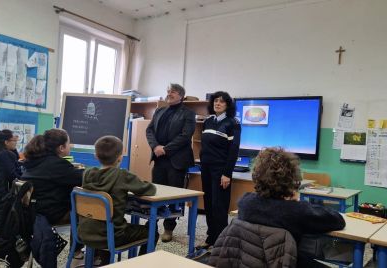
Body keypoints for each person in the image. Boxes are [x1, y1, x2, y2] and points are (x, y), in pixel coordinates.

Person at [238, 147, 346, 268]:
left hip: (249, 261)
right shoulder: (296, 211)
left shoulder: (245, 203)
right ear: (291, 180)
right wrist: (296, 201)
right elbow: (338, 220)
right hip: (284, 261)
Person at [78, 135, 157, 262]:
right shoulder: (123, 176)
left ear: (96, 156)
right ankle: (142, 264)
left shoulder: (87, 174)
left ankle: (103, 261)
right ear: (120, 157)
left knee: (103, 223)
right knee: (152, 231)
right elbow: (150, 190)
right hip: (112, 236)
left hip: (85, 233)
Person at [146, 83, 196, 242]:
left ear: (181, 95)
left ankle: (169, 228)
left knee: (174, 197)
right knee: (156, 194)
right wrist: (155, 147)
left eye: (172, 92)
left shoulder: (188, 113)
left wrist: (165, 149)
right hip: (159, 160)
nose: (169, 94)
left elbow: (185, 136)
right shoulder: (160, 110)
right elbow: (149, 130)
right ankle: (152, 224)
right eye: (168, 91)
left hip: (177, 161)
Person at [197, 91, 241, 250]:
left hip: (220, 170)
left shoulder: (233, 123)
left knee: (219, 206)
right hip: (206, 169)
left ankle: (221, 243)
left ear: (227, 105)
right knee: (208, 204)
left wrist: (227, 173)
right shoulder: (208, 121)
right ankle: (211, 237)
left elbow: (233, 150)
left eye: (222, 102)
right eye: (216, 101)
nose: (218, 104)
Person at [21, 128, 83, 225]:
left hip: (34, 213)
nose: (70, 146)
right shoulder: (56, 165)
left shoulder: (34, 161)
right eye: (68, 143)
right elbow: (82, 178)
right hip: (52, 215)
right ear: (61, 148)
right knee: (89, 213)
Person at [0, 129, 22, 236]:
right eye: (14, 140)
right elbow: (12, 175)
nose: (16, 142)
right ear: (6, 142)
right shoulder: (4, 154)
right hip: (1, 190)